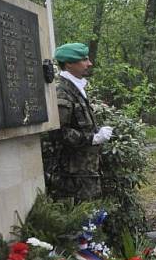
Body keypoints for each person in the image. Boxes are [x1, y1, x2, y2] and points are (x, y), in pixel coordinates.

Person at [46, 43, 113, 202]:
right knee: (82, 221)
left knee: (92, 220)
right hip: (73, 179)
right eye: (84, 59)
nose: (89, 63)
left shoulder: (76, 88)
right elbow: (58, 132)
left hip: (85, 174)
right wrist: (92, 138)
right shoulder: (63, 92)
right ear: (69, 64)